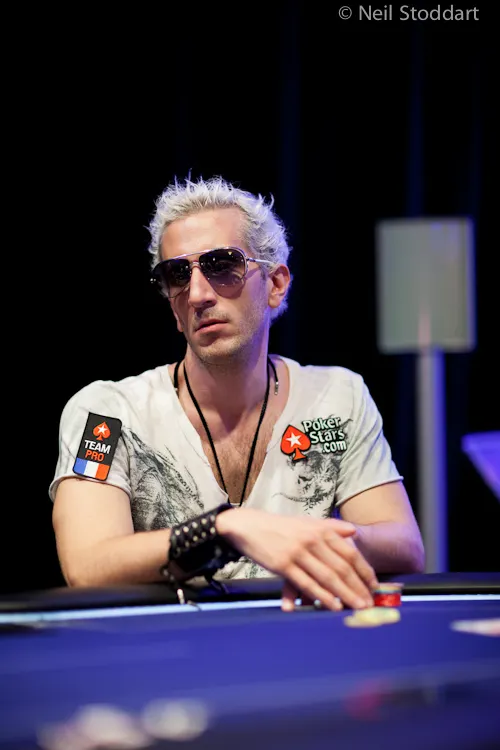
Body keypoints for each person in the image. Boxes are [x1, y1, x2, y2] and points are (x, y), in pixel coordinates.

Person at [50, 176, 424, 612]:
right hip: (170, 649)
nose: (197, 294)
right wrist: (226, 529)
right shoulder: (107, 413)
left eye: (222, 265)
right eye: (177, 275)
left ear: (275, 284)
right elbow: (87, 564)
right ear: (172, 306)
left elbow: (405, 545)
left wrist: (307, 539)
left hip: (302, 643)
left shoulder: (338, 396)